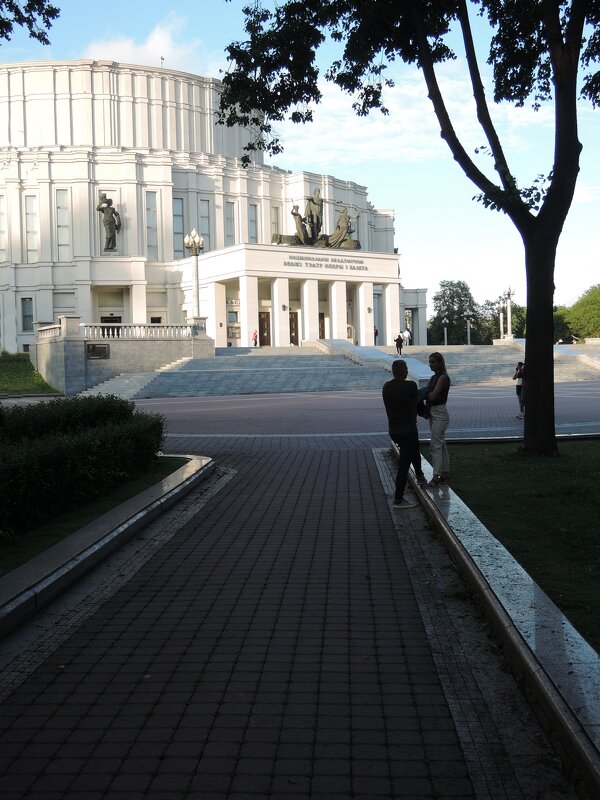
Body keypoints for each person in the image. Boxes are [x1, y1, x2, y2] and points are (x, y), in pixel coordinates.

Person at [382, 359, 427, 509]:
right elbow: (416, 402)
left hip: (394, 430)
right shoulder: (411, 386)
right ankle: (398, 499)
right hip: (408, 429)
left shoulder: (386, 387)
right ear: (405, 371)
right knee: (404, 465)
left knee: (414, 449)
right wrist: (425, 397)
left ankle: (420, 476)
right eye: (406, 368)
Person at [424, 351, 451, 487]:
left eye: (433, 362)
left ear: (440, 363)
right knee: (441, 444)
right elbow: (426, 392)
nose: (430, 365)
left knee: (435, 444)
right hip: (433, 413)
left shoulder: (443, 378)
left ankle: (436, 477)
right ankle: (445, 473)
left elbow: (432, 396)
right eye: (429, 362)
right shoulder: (433, 377)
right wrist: (426, 393)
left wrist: (425, 394)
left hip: (440, 413)